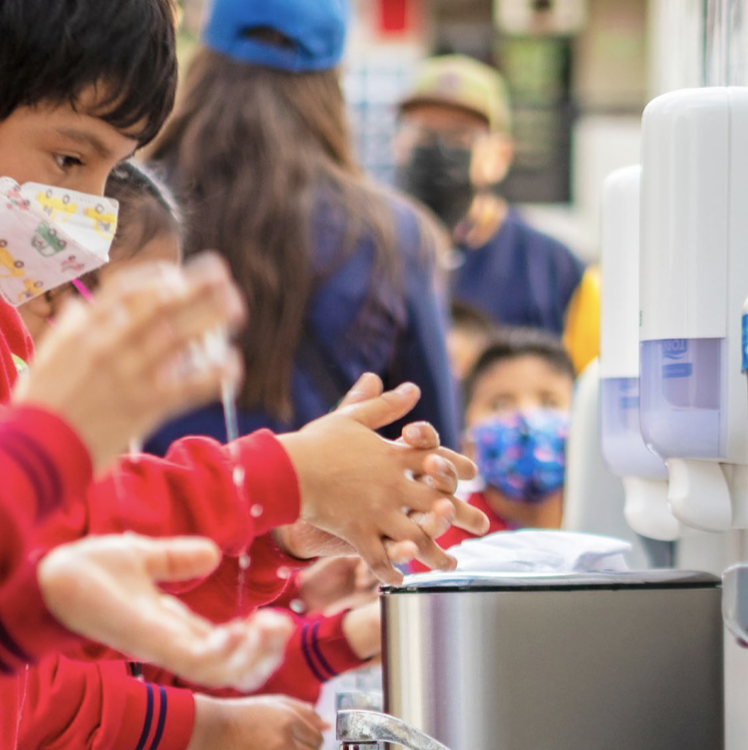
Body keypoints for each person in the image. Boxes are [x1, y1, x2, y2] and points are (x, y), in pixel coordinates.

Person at [0, 0, 489, 744]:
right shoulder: (393, 235)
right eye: (71, 160)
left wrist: (281, 529)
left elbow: (64, 616)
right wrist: (276, 482)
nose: (88, 230)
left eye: (109, 172)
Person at [16, 159, 386, 750]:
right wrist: (206, 727)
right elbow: (42, 686)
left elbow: (148, 652)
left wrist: (283, 543)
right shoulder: (47, 455)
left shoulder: (100, 451)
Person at [146, 0, 461, 456]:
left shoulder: (133, 207)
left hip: (148, 515)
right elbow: (433, 443)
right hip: (320, 519)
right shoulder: (395, 234)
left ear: (202, 60)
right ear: (333, 81)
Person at [395, 54, 591, 354]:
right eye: (422, 132)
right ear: (398, 143)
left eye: (459, 136)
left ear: (500, 155)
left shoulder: (549, 266)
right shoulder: (371, 251)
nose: (437, 149)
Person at [412, 328, 575, 571]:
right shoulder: (435, 543)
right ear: (467, 439)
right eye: (501, 404)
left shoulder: (609, 523)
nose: (526, 419)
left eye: (549, 402)